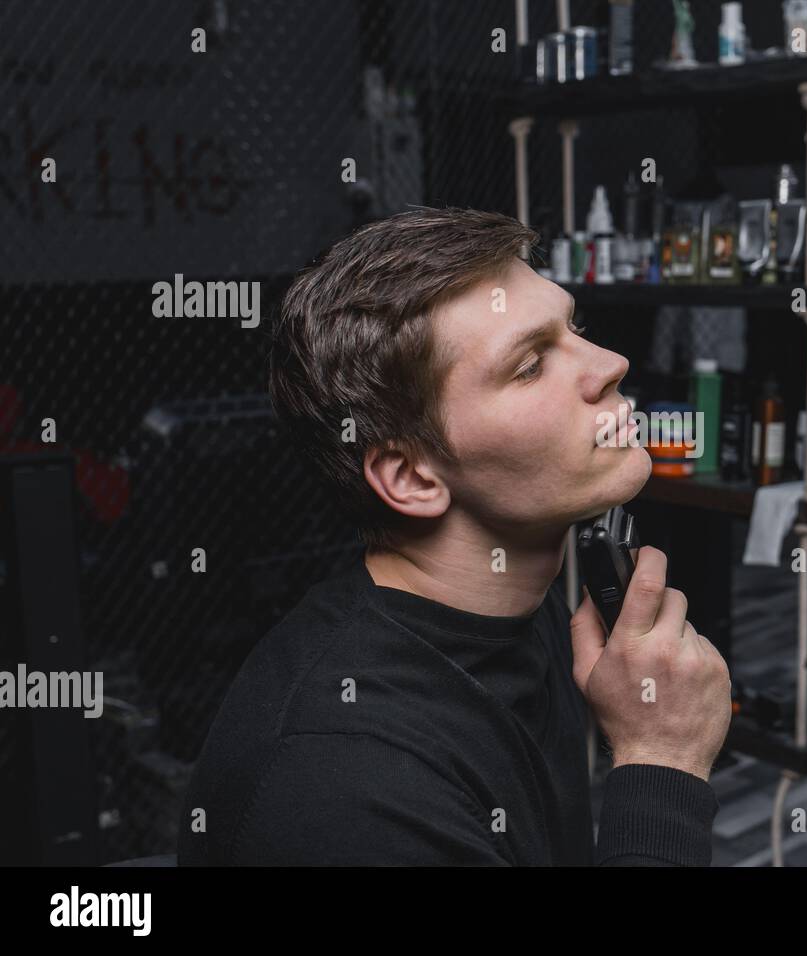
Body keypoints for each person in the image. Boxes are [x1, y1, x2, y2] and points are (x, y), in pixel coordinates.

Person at [177, 207, 733, 865]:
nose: (610, 363)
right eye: (529, 365)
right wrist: (661, 762)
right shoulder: (347, 783)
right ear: (412, 476)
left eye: (574, 328)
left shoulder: (523, 609)